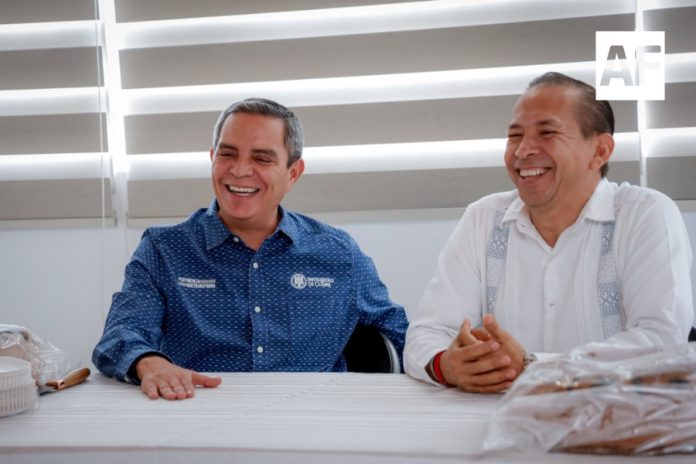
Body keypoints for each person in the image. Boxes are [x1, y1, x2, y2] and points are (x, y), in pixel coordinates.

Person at [93, 98, 408, 400]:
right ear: (212, 158)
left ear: (293, 173)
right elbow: (121, 334)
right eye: (228, 154)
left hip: (312, 418)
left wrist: (435, 360)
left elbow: (402, 336)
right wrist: (149, 362)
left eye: (262, 159)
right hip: (196, 414)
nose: (240, 170)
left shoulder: (339, 254)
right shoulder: (163, 250)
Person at [404, 72, 694, 393]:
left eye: (547, 133)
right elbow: (427, 333)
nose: (523, 150)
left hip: (615, 412)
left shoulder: (644, 214)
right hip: (497, 414)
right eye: (515, 136)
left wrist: (534, 367)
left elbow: (662, 342)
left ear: (599, 151)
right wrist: (447, 364)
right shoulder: (483, 218)